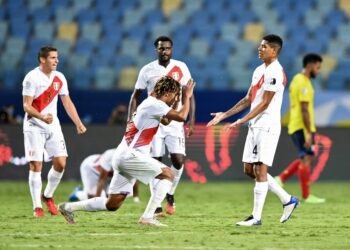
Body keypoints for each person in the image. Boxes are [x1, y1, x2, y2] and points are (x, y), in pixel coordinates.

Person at [58, 76, 195, 226]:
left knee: (113, 204)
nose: (175, 99)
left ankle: (69, 207)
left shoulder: (150, 104)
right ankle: (148, 217)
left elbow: (167, 121)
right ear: (168, 94)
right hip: (131, 156)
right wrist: (187, 97)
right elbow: (182, 117)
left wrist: (175, 101)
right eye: (174, 96)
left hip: (122, 156)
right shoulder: (154, 104)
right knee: (168, 174)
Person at [207, 34, 299, 226]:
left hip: (267, 125)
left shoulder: (275, 72)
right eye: (260, 46)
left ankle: (256, 217)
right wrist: (225, 115)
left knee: (260, 168)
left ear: (274, 51)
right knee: (249, 170)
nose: (260, 48)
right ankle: (287, 199)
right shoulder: (259, 70)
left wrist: (241, 120)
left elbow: (265, 103)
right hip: (255, 124)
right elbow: (249, 98)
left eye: (264, 46)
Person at [128, 36, 196, 216]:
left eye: (167, 48)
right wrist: (131, 119)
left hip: (175, 121)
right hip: (155, 121)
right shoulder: (147, 70)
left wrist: (191, 120)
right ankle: (156, 204)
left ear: (172, 49)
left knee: (178, 161)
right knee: (155, 162)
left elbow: (189, 94)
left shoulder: (181, 67)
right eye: (161, 48)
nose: (164, 51)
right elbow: (135, 96)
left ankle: (170, 193)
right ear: (156, 50)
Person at [22, 46, 87, 218]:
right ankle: (37, 207)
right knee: (36, 165)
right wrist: (42, 117)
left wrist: (78, 122)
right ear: (42, 59)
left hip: (53, 125)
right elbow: (26, 106)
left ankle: (47, 195)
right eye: (52, 58)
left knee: (61, 163)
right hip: (34, 125)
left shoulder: (60, 77)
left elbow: (67, 102)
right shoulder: (31, 78)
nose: (56, 60)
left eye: (57, 57)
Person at [274, 54, 325, 204]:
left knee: (308, 157)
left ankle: (281, 178)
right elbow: (304, 109)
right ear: (310, 65)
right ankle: (306, 195)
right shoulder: (303, 83)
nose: (319, 71)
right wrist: (309, 132)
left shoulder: (297, 79)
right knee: (306, 159)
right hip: (302, 126)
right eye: (318, 67)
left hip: (297, 125)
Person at [68, 148, 141, 203]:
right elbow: (102, 180)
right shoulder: (110, 156)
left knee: (120, 194)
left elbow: (133, 178)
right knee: (96, 198)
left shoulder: (128, 159)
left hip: (102, 174)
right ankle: (77, 193)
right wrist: (96, 201)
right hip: (90, 168)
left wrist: (136, 198)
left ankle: (86, 192)